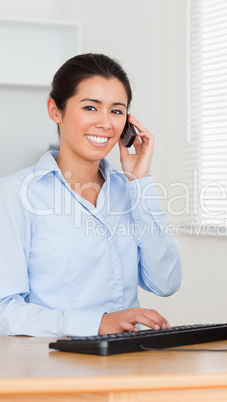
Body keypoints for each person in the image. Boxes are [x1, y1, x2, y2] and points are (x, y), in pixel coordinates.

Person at [0, 53, 182, 337]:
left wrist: (140, 182)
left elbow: (166, 282)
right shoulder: (14, 194)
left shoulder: (130, 191)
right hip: (53, 367)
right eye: (90, 107)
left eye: (117, 111)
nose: (105, 123)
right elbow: (5, 312)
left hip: (128, 361)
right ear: (55, 110)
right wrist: (97, 323)